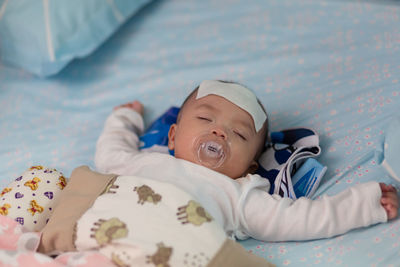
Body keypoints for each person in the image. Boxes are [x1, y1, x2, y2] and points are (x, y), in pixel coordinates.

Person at [8, 80, 400, 267]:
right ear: (174, 136)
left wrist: (363, 204)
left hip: (156, 258)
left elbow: (302, 219)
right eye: (206, 118)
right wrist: (123, 118)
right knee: (45, 181)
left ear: (249, 165)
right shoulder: (139, 162)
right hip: (85, 246)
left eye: (239, 133)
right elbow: (110, 150)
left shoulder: (240, 195)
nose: (219, 131)